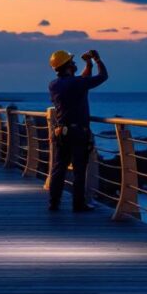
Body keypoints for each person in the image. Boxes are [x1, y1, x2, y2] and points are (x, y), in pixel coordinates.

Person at [47, 48, 108, 212]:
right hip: (77, 133)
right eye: (72, 62)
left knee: (59, 168)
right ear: (68, 66)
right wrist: (97, 59)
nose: (74, 63)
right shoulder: (76, 83)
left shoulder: (54, 85)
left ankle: (54, 203)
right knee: (79, 170)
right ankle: (78, 204)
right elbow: (103, 77)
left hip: (61, 132)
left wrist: (88, 64)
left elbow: (81, 80)